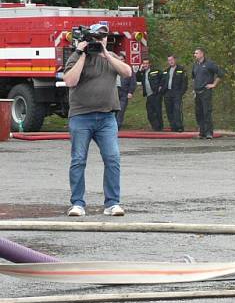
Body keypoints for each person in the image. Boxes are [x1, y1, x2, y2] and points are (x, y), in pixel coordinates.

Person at [63, 22, 132, 217]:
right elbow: (70, 81)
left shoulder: (110, 58)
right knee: (78, 160)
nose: (99, 41)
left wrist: (106, 54)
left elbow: (127, 72)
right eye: (95, 38)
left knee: (113, 158)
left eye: (103, 38)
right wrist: (82, 54)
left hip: (106, 117)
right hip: (81, 117)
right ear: (88, 39)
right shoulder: (76, 57)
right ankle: (77, 203)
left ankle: (112, 203)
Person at [192, 48, 223, 139]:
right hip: (197, 92)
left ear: (202, 54)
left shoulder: (209, 64)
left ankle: (209, 133)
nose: (195, 55)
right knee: (199, 113)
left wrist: (214, 84)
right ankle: (202, 132)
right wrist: (194, 88)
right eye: (195, 53)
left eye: (196, 53)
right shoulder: (195, 65)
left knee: (206, 112)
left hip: (206, 92)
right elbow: (193, 77)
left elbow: (220, 74)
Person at [163, 55, 188, 132]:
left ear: (175, 60)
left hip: (177, 92)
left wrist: (181, 93)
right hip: (168, 93)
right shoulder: (166, 70)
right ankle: (173, 126)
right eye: (169, 60)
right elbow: (163, 81)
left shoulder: (181, 69)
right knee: (169, 110)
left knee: (177, 110)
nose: (171, 61)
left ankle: (179, 126)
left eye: (172, 59)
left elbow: (184, 83)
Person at [141, 58, 164, 132]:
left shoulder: (155, 71)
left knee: (157, 111)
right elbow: (137, 78)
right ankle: (155, 126)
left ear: (149, 64)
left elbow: (163, 77)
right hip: (148, 95)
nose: (145, 65)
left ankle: (159, 127)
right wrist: (140, 70)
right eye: (144, 63)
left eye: (146, 63)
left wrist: (160, 86)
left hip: (156, 94)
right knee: (149, 112)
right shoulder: (143, 72)